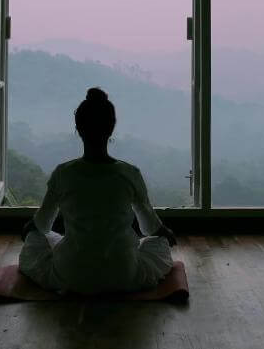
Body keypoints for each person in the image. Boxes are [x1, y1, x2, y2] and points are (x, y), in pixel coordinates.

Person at [18, 87, 178, 295]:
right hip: (123, 274)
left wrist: (30, 227)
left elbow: (43, 224)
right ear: (111, 128)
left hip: (71, 273)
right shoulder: (129, 173)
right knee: (159, 243)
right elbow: (149, 228)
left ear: (78, 128)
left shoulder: (63, 173)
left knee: (37, 239)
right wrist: (164, 233)